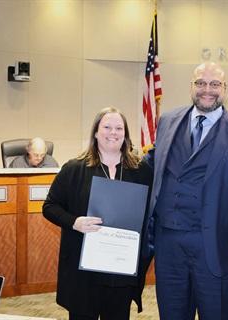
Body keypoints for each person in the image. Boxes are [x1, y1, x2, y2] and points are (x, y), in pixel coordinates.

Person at [142, 62, 228, 320]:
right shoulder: (167, 121)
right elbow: (148, 165)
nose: (207, 90)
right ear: (191, 86)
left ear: (225, 89)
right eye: (200, 83)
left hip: (217, 246)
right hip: (169, 245)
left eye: (214, 84)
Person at [42, 107, 154, 320]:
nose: (113, 132)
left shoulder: (141, 170)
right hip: (84, 271)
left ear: (125, 134)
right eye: (107, 127)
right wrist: (75, 222)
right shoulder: (74, 169)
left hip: (121, 269)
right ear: (95, 132)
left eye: (119, 128)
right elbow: (50, 206)